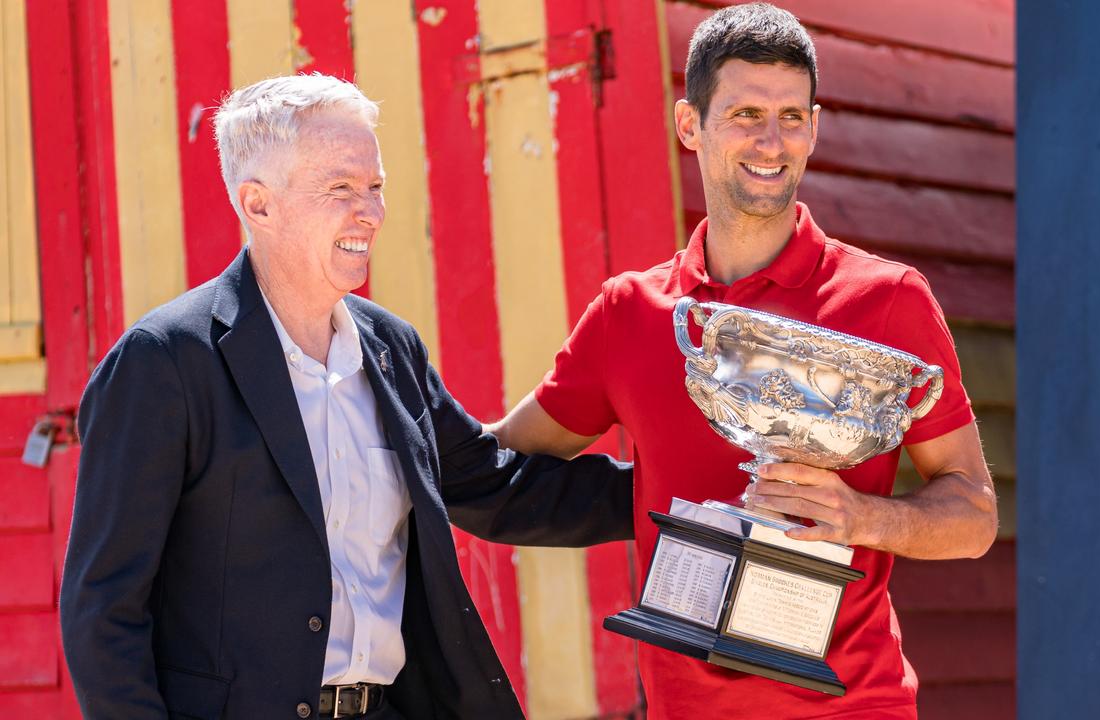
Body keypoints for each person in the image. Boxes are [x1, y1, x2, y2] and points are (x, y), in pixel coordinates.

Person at [59, 74, 632, 720]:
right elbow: (102, 611)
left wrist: (672, 498)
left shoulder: (393, 349)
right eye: (341, 189)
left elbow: (497, 486)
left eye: (376, 187)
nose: (372, 212)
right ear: (258, 204)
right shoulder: (164, 363)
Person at [487, 4, 998, 718]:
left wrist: (862, 518)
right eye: (746, 113)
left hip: (855, 708)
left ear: (815, 128)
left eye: (793, 116)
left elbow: (973, 514)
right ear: (690, 124)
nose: (772, 140)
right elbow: (503, 459)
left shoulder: (888, 300)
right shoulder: (629, 314)